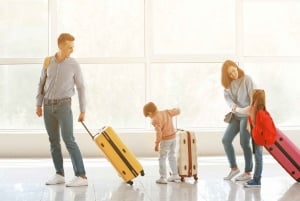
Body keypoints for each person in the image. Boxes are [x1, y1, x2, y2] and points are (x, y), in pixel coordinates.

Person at [36, 33, 88, 187]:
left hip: (64, 105)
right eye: (69, 47)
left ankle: (82, 176)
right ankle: (59, 174)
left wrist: (83, 110)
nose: (72, 50)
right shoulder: (48, 62)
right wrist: (38, 104)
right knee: (53, 141)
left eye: (73, 47)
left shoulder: (73, 64)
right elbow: (41, 83)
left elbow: (81, 87)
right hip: (47, 105)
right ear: (60, 45)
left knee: (69, 140)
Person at [221, 60, 255, 181]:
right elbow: (231, 104)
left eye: (234, 70)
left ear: (237, 67)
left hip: (247, 115)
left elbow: (253, 98)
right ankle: (234, 168)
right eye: (230, 73)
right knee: (226, 140)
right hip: (236, 115)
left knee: (244, 143)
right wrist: (238, 109)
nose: (233, 74)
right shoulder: (227, 87)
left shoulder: (247, 79)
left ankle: (248, 172)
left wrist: (249, 110)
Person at [244, 89, 276, 188]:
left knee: (258, 157)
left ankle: (257, 180)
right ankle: (256, 179)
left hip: (258, 137)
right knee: (258, 157)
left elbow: (254, 123)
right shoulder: (262, 110)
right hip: (259, 136)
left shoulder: (256, 110)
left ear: (256, 99)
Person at [143, 102, 181, 184]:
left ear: (150, 113)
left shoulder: (155, 120)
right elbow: (178, 111)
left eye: (148, 116)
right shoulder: (166, 112)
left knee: (162, 158)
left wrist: (156, 144)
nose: (150, 118)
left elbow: (159, 133)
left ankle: (163, 177)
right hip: (173, 137)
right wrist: (177, 107)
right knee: (172, 155)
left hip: (166, 140)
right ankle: (175, 174)